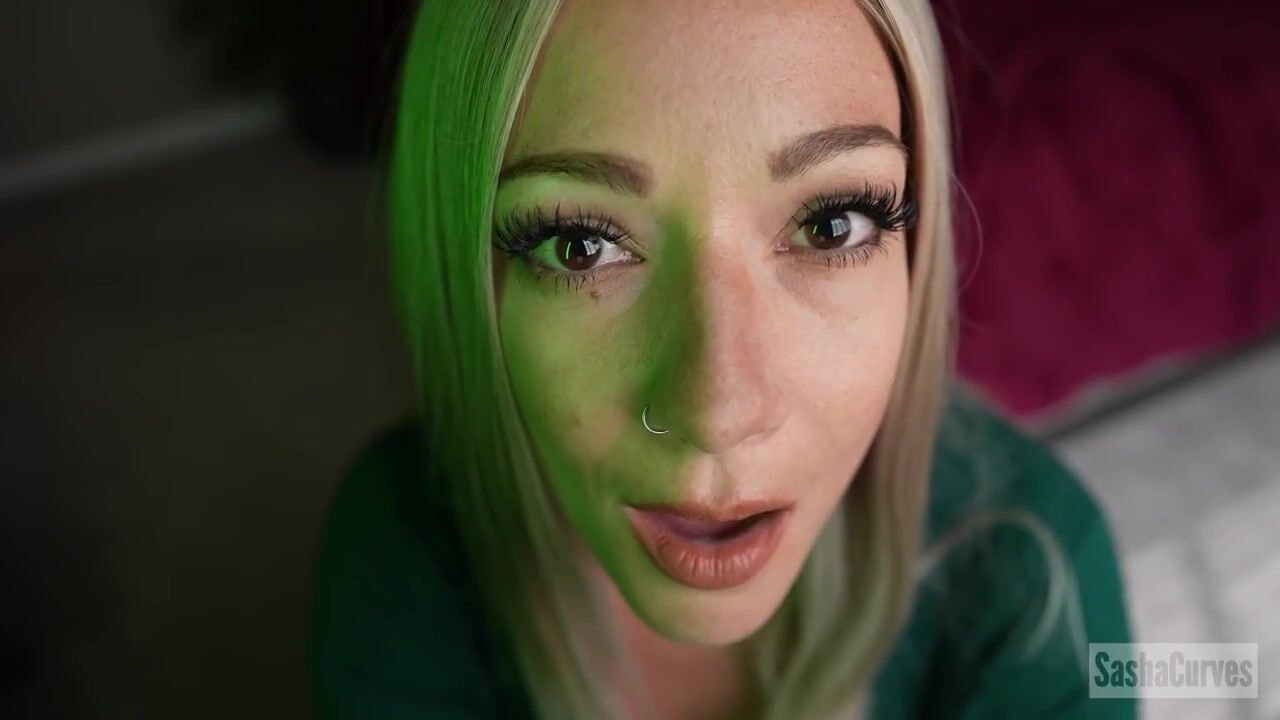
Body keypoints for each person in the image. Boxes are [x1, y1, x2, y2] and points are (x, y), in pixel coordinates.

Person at [308, 0, 1137, 718]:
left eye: (832, 225)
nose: (719, 414)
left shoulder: (1042, 572)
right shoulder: (401, 552)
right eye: (580, 244)